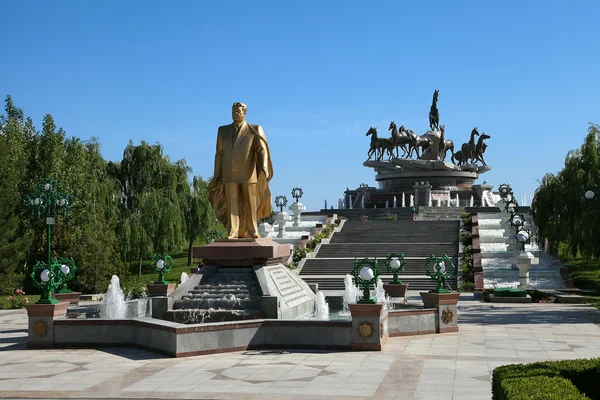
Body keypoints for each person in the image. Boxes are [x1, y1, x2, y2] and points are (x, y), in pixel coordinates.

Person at [207, 102, 273, 239]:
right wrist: (217, 174)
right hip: (229, 174)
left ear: (244, 113)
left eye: (238, 111)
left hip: (248, 174)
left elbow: (261, 150)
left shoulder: (254, 129)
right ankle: (233, 231)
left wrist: (264, 167)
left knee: (250, 203)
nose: (235, 114)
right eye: (233, 112)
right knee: (232, 204)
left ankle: (252, 230)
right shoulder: (222, 131)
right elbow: (219, 154)